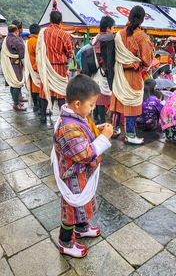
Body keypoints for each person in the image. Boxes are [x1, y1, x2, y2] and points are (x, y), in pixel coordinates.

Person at [52, 74, 112, 258]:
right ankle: (66, 241)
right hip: (73, 176)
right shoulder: (68, 128)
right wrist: (104, 138)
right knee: (72, 208)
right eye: (91, 105)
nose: (93, 108)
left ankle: (82, 227)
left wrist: (98, 128)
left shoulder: (77, 117)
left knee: (83, 204)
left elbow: (85, 132)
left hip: (81, 175)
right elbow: (84, 153)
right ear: (77, 103)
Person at [110, 6, 153, 144]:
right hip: (133, 76)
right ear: (142, 19)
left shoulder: (118, 34)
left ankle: (114, 129)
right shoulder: (142, 37)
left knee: (118, 101)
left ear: (129, 16)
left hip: (119, 73)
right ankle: (129, 134)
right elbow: (147, 61)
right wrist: (137, 62)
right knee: (131, 103)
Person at [36, 11, 73, 123]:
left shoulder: (43, 33)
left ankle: (43, 116)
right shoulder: (64, 34)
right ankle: (62, 118)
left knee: (44, 90)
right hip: (60, 68)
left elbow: (39, 50)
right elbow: (70, 53)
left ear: (50, 20)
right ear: (61, 21)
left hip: (46, 67)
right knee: (61, 93)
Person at [92, 16, 115, 124]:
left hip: (95, 71)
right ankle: (102, 121)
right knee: (102, 97)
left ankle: (96, 118)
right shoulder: (107, 39)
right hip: (103, 71)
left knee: (98, 95)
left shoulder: (96, 37)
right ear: (108, 28)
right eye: (113, 28)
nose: (113, 30)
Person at [1, 25, 26, 111]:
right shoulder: (15, 40)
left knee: (13, 84)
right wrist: (26, 65)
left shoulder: (6, 39)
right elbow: (22, 55)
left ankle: (16, 101)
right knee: (17, 84)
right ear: (16, 31)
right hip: (15, 65)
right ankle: (16, 104)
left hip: (9, 64)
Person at [25, 23, 41, 113]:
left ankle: (35, 106)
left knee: (33, 88)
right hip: (36, 68)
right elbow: (39, 56)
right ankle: (38, 107)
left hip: (30, 68)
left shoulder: (28, 41)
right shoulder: (35, 41)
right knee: (37, 89)